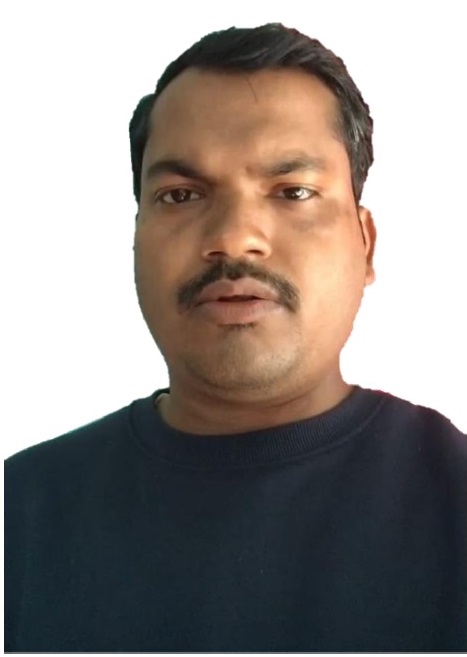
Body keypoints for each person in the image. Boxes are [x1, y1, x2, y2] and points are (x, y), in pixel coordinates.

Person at [4, 22, 466, 653]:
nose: (235, 237)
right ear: (135, 239)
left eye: (293, 191)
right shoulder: (19, 513)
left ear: (366, 244)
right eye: (181, 195)